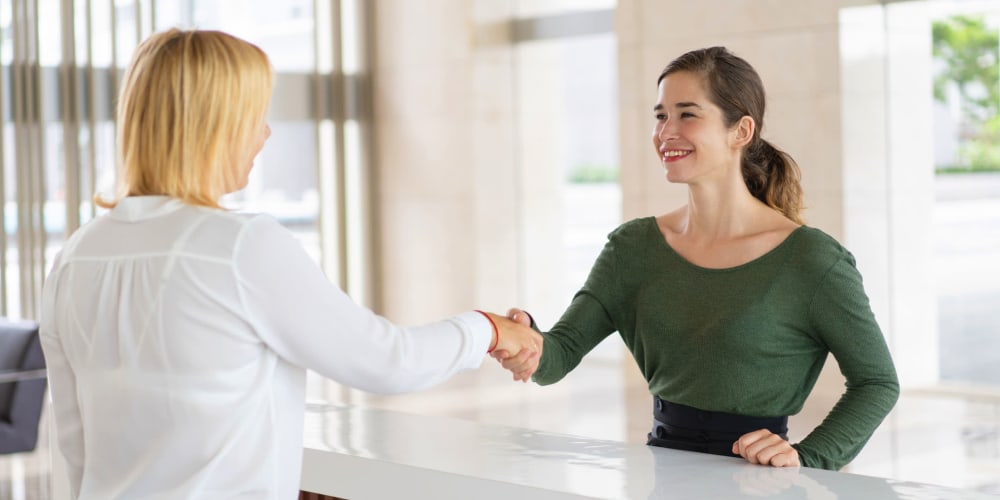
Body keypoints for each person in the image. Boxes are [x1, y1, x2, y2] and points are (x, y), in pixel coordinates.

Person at [39, 28, 542, 500]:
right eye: (254, 115)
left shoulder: (75, 256)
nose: (266, 133)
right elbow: (387, 360)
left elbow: (74, 450)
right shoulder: (239, 246)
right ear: (214, 125)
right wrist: (489, 330)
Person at [494, 46, 899, 471]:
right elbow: (558, 356)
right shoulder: (632, 248)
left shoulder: (811, 260)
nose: (666, 131)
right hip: (663, 475)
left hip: (761, 483)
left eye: (687, 114)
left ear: (740, 131)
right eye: (660, 116)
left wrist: (809, 456)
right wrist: (525, 343)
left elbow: (877, 382)